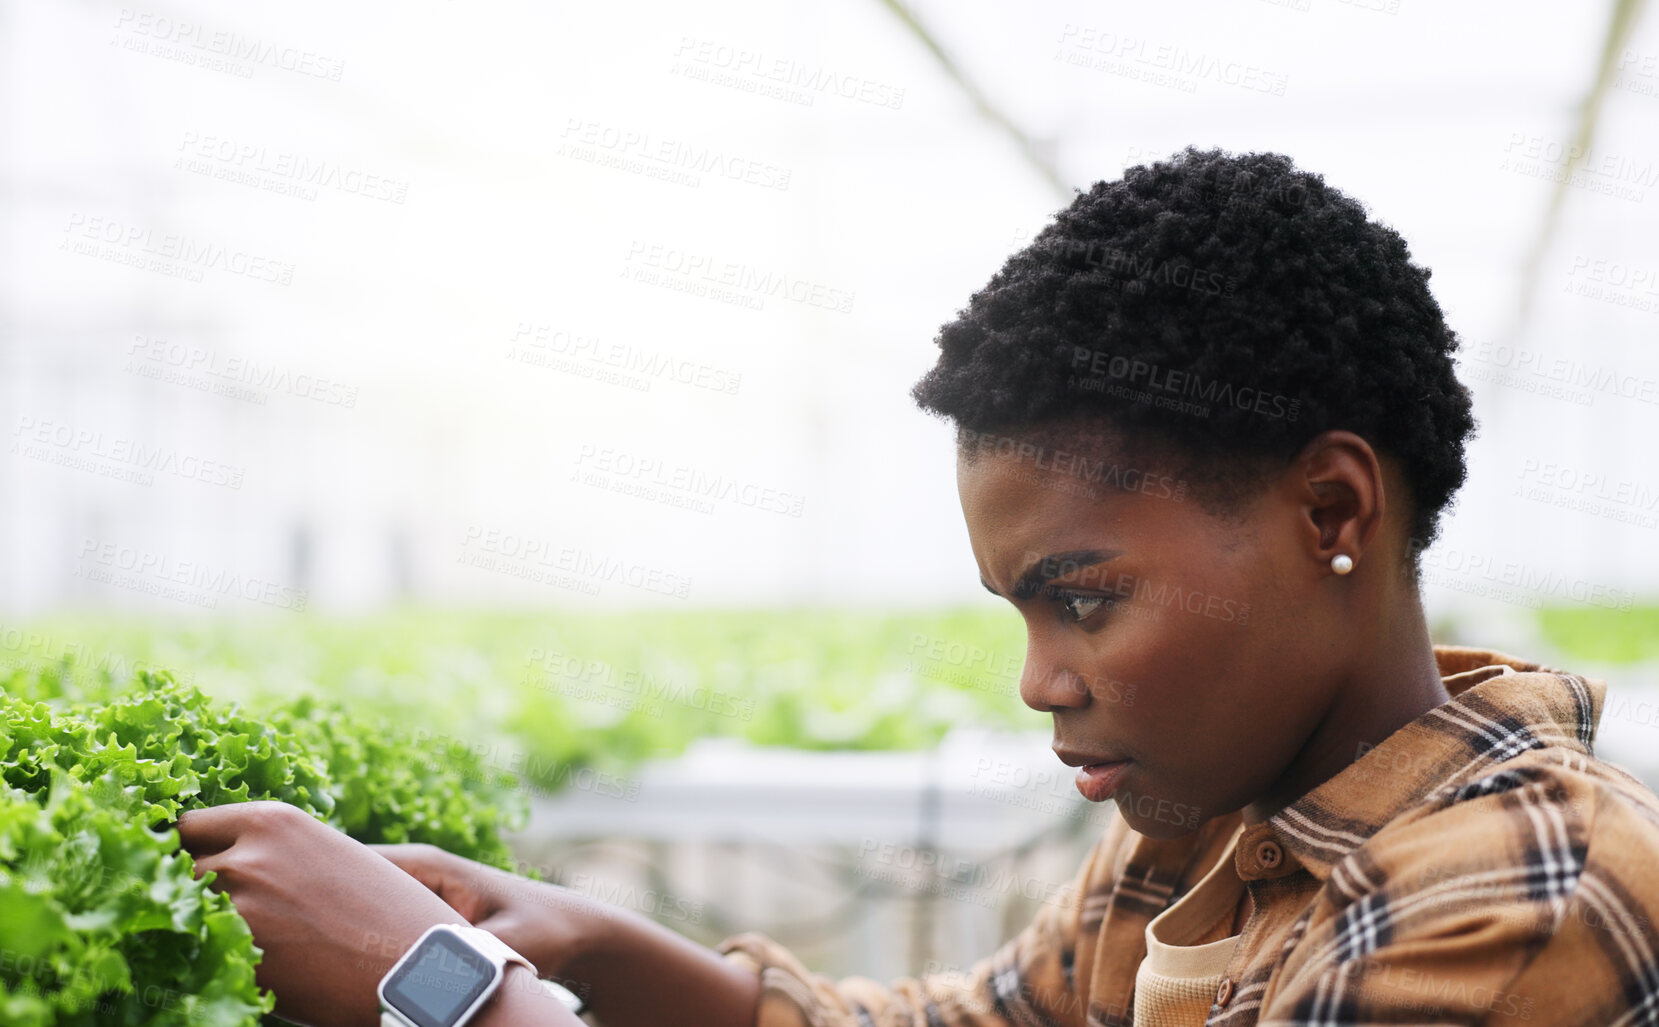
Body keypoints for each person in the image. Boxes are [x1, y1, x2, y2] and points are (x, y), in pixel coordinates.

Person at [175, 147, 1659, 1026]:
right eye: (1018, 609)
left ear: (1330, 509)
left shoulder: (1516, 904)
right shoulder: (1224, 819)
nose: (1041, 680)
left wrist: (447, 990)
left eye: (1084, 596)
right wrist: (594, 943)